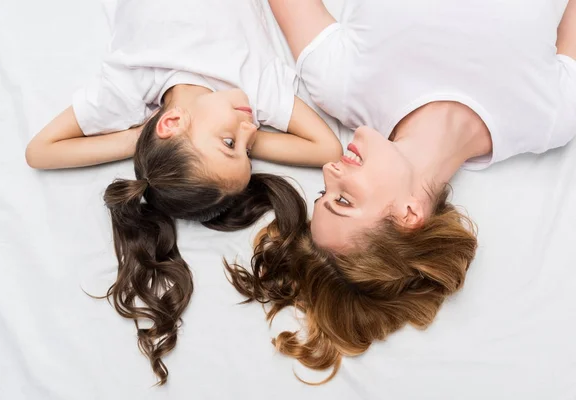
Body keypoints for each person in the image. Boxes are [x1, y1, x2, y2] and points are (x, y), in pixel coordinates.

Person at [228, 0, 576, 382]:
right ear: (409, 215)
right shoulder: (551, 117)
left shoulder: (340, 83)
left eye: (321, 195)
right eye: (343, 200)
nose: (329, 171)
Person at [25, 0, 342, 385]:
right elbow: (327, 149)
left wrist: (136, 137)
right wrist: (235, 142)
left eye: (230, 142)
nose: (251, 132)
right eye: (246, 150)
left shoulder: (132, 85)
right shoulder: (250, 91)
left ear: (171, 122)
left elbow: (40, 151)